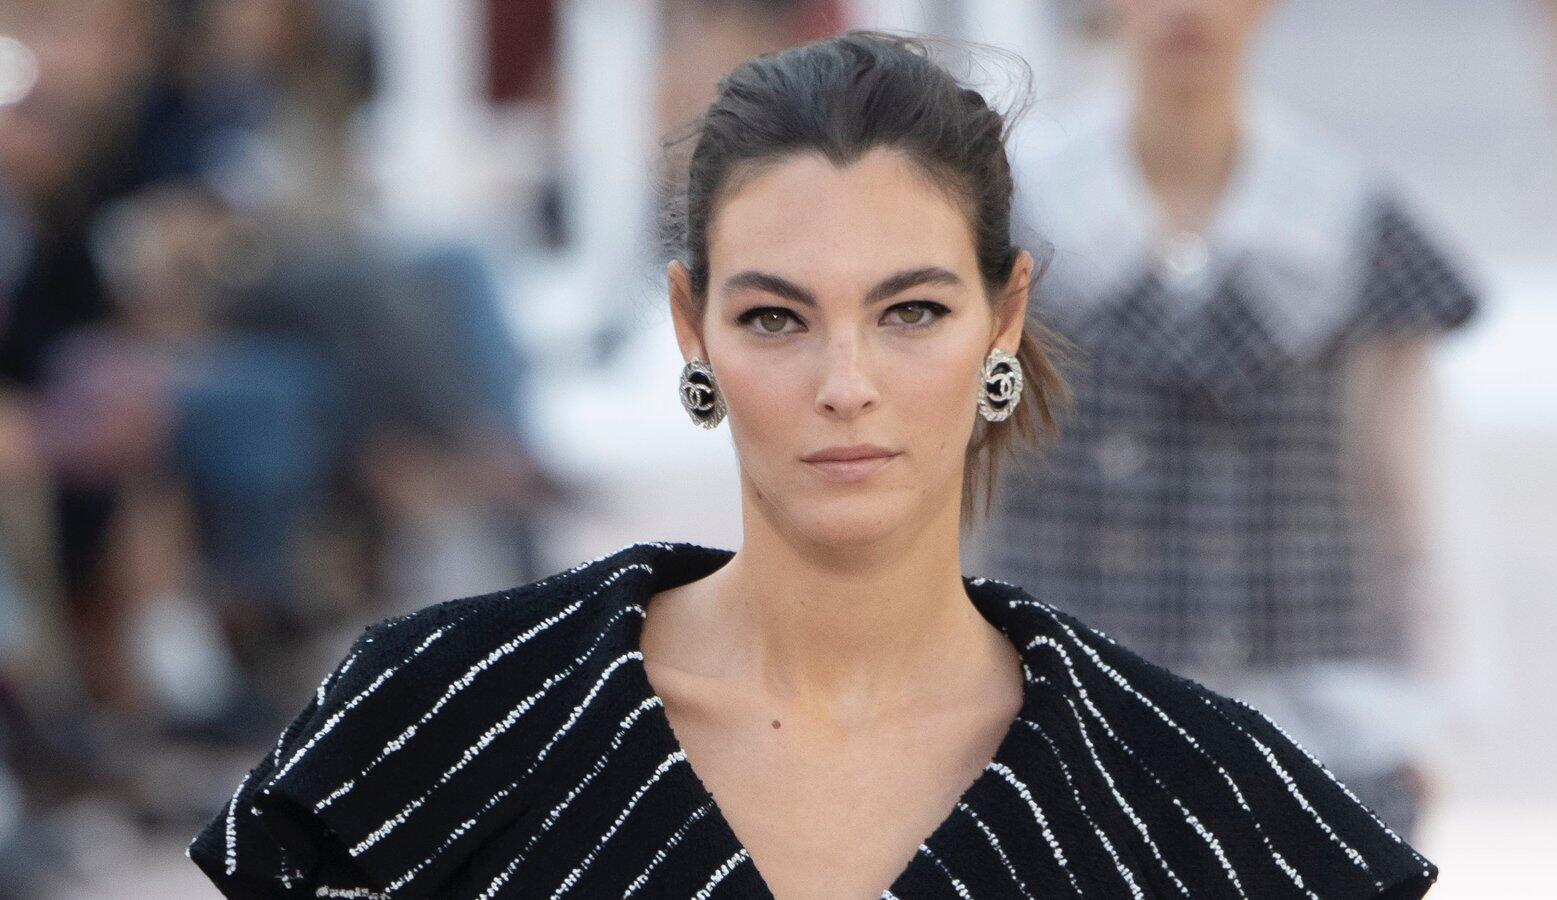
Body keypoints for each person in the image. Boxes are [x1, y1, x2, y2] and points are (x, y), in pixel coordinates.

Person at [188, 31, 1438, 898]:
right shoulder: (442, 721)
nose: (847, 383)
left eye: (911, 312)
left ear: (1004, 321)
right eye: (777, 317)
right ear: (693, 328)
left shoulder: (1195, 804)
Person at [984, 0, 1481, 842]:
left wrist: (1435, 717)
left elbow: (1416, 493)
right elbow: (952, 481)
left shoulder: (1344, 214)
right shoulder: (1012, 212)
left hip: (1312, 740)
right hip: (1060, 730)